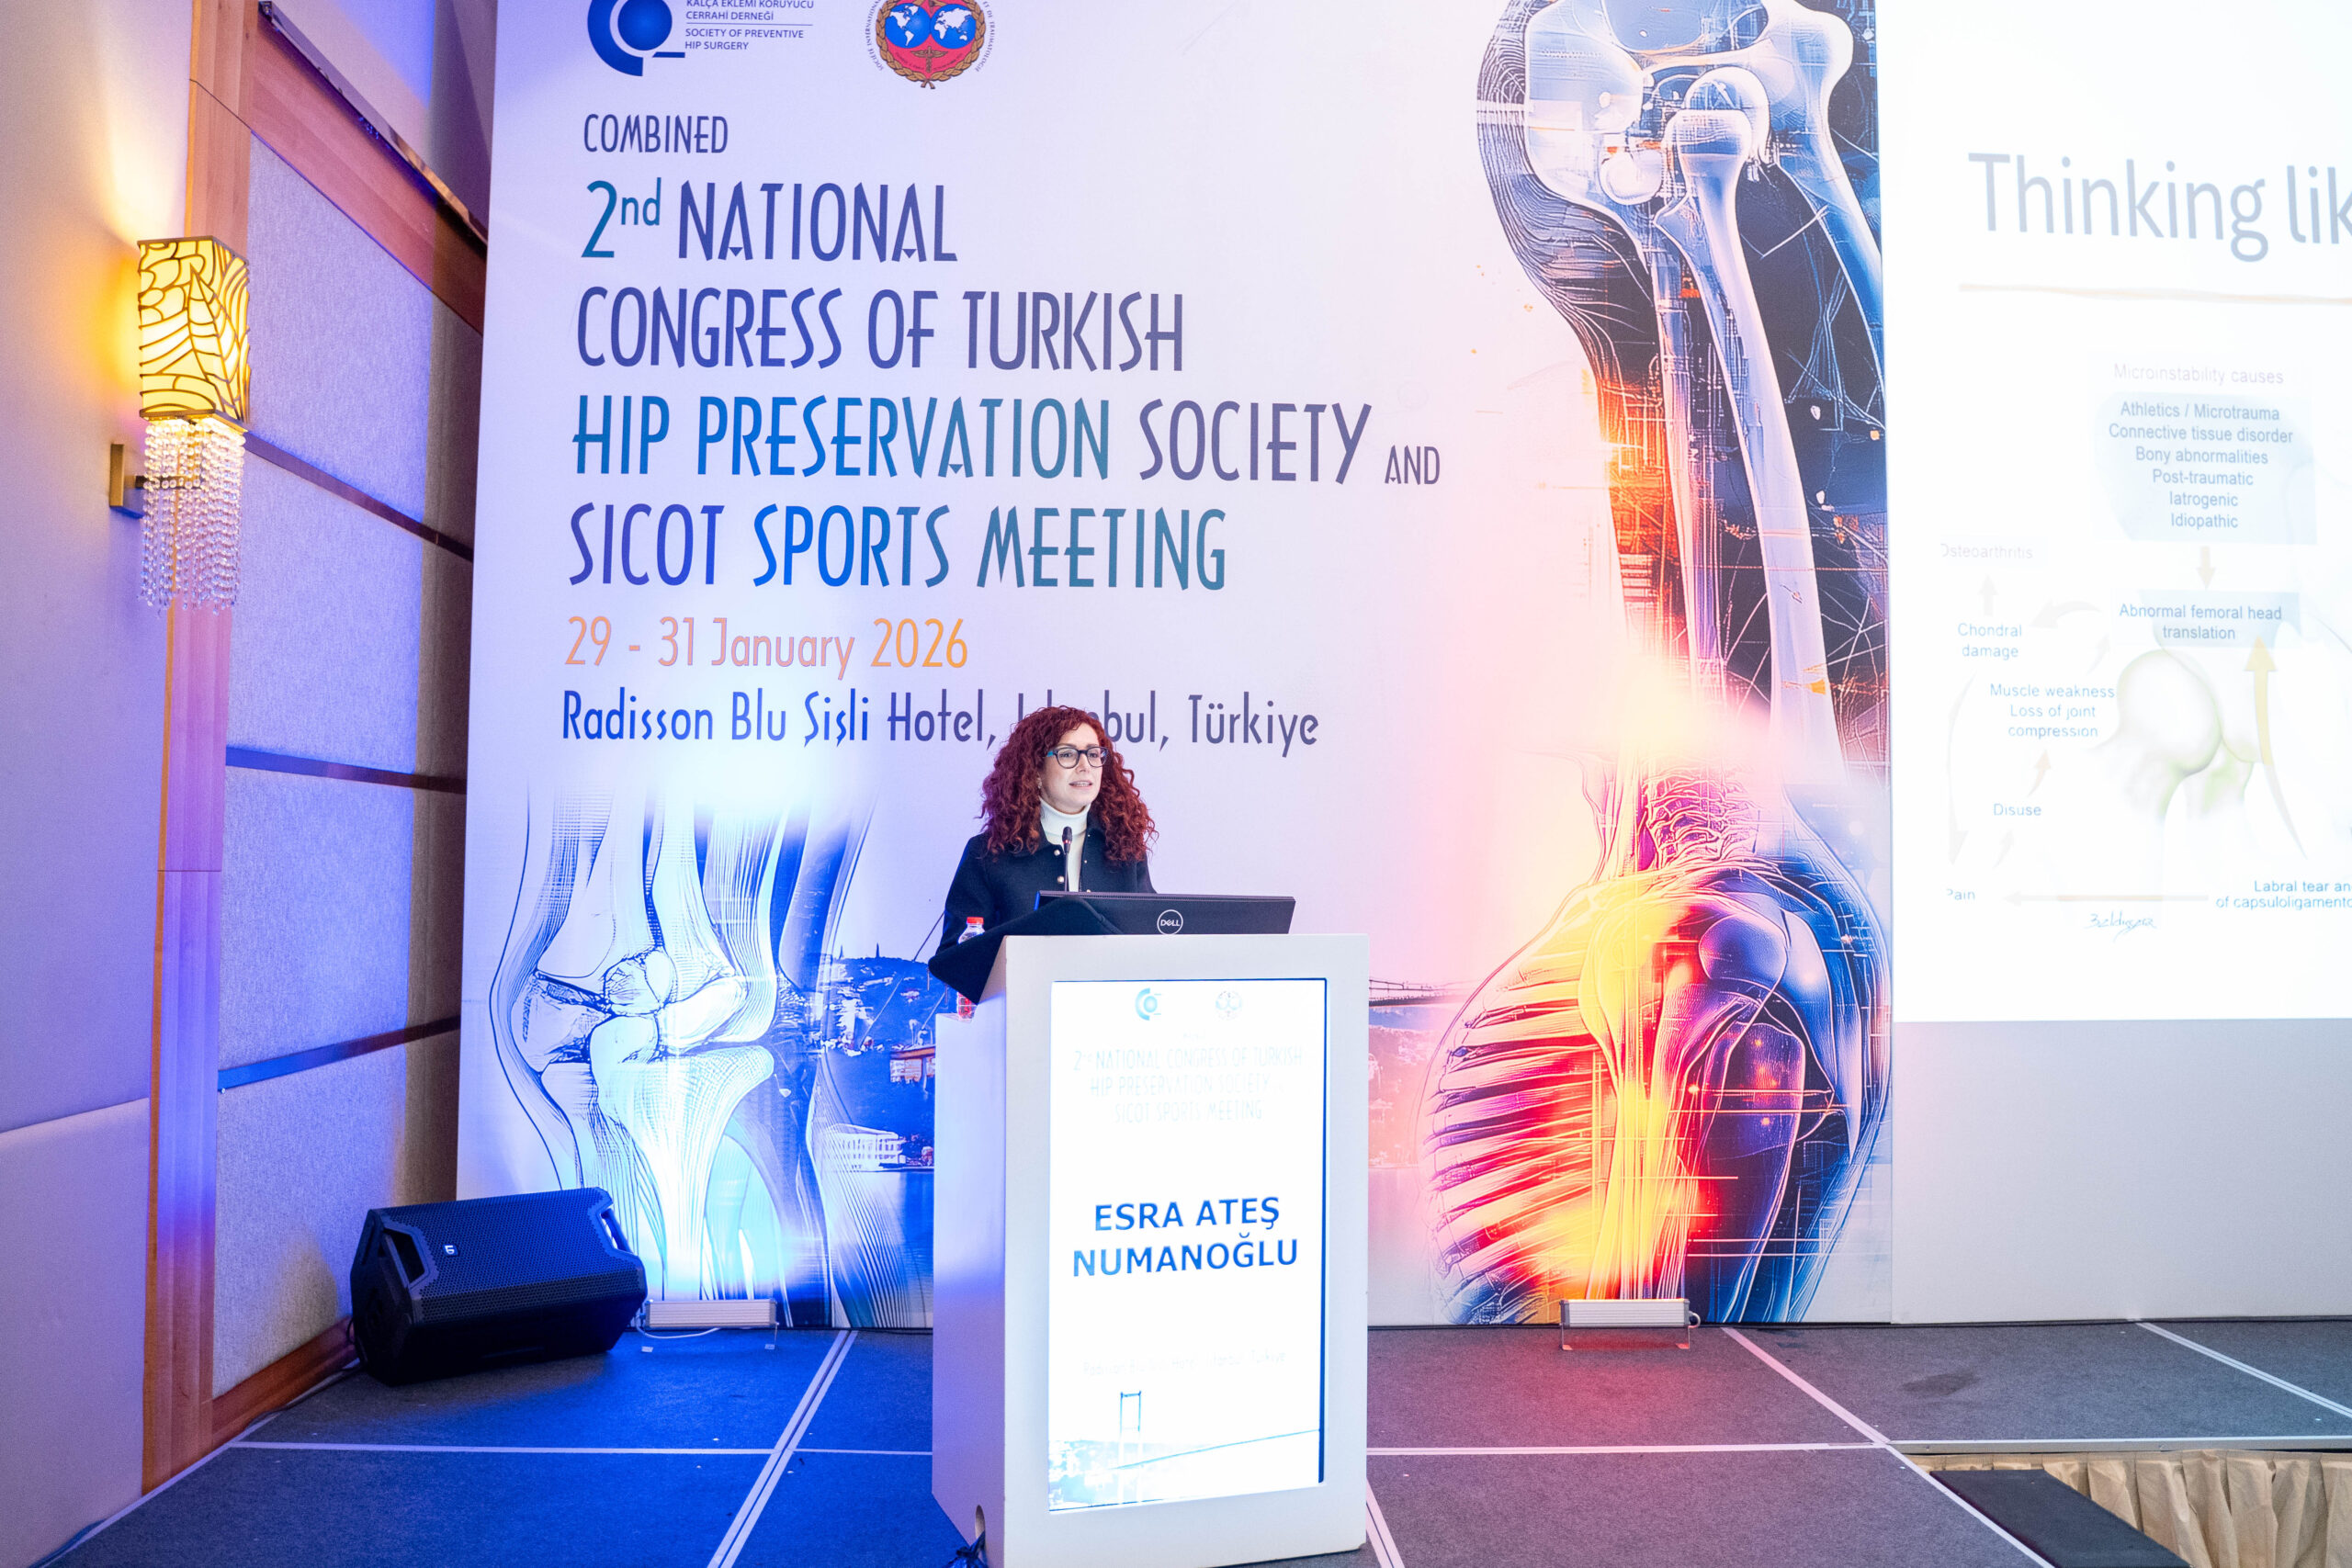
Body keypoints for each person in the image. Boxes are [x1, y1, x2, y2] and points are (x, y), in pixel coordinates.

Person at [933, 705, 1155, 959]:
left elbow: (1153, 938)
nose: (1085, 766)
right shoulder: (987, 854)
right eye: (1068, 754)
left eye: (1094, 754)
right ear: (1036, 770)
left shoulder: (1124, 847)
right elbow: (955, 959)